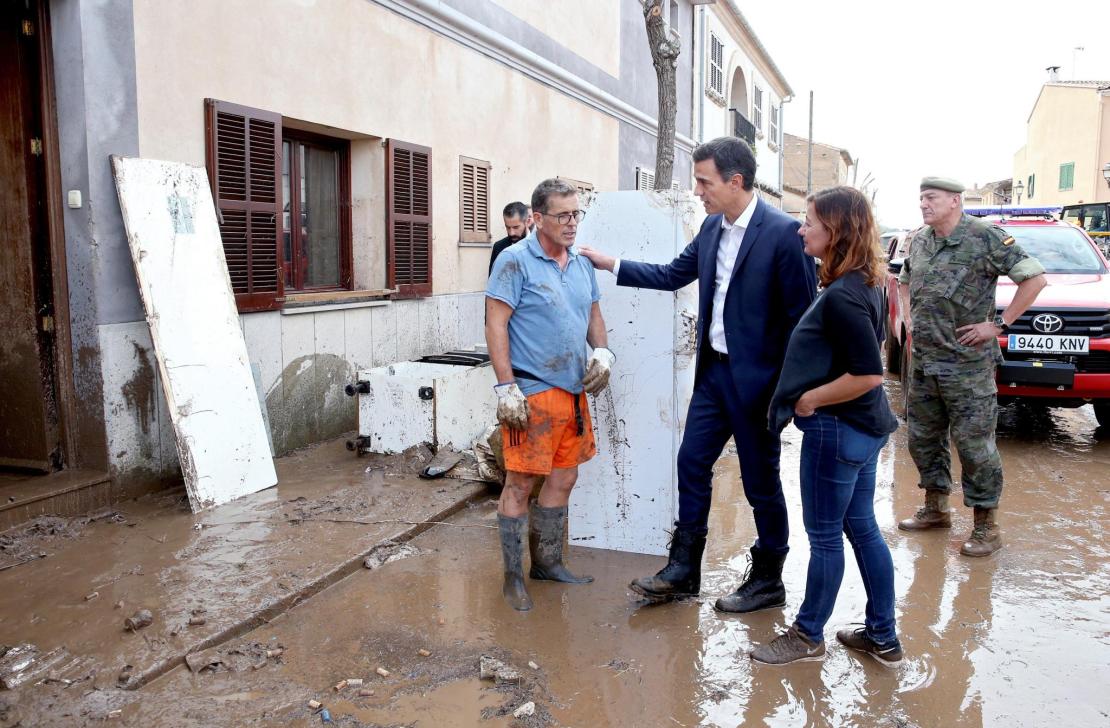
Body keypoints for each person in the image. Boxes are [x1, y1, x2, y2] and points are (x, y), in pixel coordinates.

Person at [578, 137, 816, 612]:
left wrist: (788, 393)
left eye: (705, 181)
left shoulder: (784, 235)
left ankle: (769, 578)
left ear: (736, 181)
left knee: (759, 482)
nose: (699, 190)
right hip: (714, 376)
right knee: (691, 464)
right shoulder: (711, 228)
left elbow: (802, 322)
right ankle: (684, 569)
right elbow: (672, 274)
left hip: (759, 386)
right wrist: (611, 263)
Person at [750, 186, 902, 666]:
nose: (801, 229)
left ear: (834, 230)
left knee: (824, 537)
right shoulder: (865, 282)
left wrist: (809, 399)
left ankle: (807, 634)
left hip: (839, 430)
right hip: (864, 429)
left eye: (810, 221)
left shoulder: (843, 296)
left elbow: (869, 373)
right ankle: (883, 637)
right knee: (863, 529)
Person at [897, 177, 1046, 556]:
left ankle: (986, 527)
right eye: (921, 198)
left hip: (967, 368)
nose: (923, 205)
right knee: (923, 439)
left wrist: (999, 324)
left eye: (930, 198)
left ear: (955, 201)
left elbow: (1035, 279)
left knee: (974, 447)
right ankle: (936, 508)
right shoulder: (921, 239)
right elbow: (903, 280)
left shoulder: (985, 238)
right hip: (926, 365)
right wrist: (910, 318)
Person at [485, 178, 615, 611]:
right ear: (537, 218)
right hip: (532, 393)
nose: (572, 223)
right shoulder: (514, 261)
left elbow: (593, 313)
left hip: (573, 391)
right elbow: (496, 324)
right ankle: (511, 578)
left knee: (564, 477)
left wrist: (603, 351)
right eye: (562, 216)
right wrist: (506, 388)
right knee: (521, 483)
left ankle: (546, 563)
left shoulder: (579, 264)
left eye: (576, 214)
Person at [489, 201, 534, 275]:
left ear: (528, 222)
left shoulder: (540, 245)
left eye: (516, 227)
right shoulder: (498, 247)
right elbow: (492, 279)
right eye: (508, 227)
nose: (511, 233)